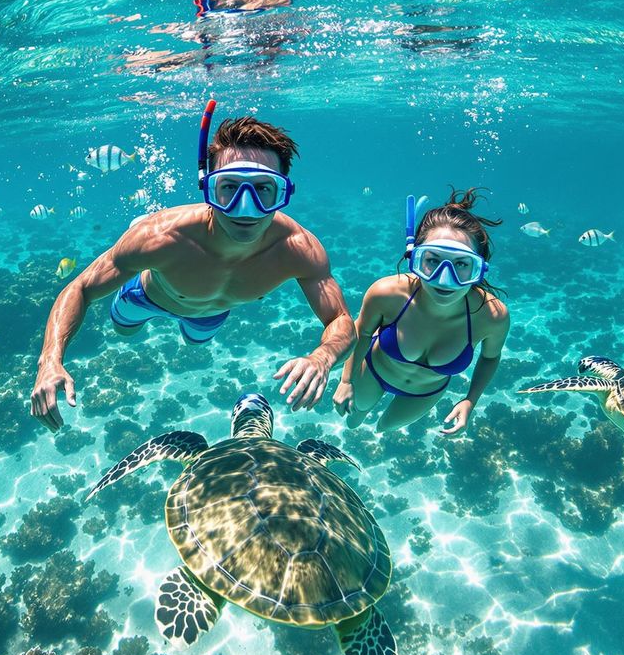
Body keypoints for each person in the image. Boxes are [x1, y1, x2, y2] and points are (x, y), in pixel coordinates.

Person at [30, 103, 355, 431]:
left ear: (283, 192)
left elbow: (341, 320)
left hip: (210, 315)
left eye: (262, 190)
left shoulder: (299, 250)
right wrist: (50, 360)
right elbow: (81, 287)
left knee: (195, 343)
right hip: (144, 297)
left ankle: (186, 319)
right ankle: (139, 292)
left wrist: (322, 358)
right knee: (125, 331)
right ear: (208, 188)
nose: (245, 207)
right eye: (229, 187)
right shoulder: (159, 237)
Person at [333, 189, 509, 434]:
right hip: (373, 372)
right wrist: (346, 380)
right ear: (413, 258)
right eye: (432, 261)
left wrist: (470, 400)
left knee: (385, 429)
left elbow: (490, 357)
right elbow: (361, 334)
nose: (444, 279)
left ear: (479, 269)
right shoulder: (388, 293)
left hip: (424, 392)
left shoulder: (491, 316)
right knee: (354, 419)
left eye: (461, 264)